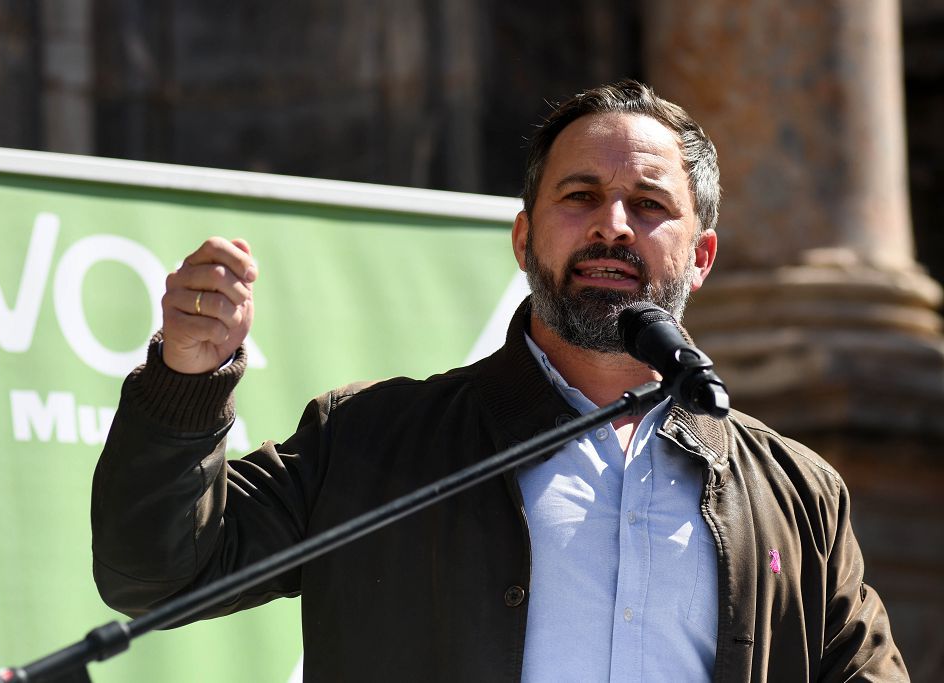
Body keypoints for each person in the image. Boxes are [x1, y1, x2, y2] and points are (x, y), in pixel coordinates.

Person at [91, 80, 908, 681]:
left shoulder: (796, 497)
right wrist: (188, 378)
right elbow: (157, 571)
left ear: (701, 255)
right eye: (579, 195)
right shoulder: (374, 441)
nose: (612, 225)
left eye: (649, 204)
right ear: (523, 239)